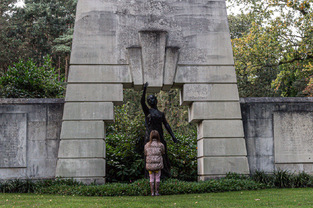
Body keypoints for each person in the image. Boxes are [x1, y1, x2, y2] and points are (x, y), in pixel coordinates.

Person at [141, 82, 178, 178]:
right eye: (149, 99)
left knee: (163, 156)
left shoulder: (161, 114)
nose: (151, 100)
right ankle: (148, 177)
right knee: (148, 157)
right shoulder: (147, 112)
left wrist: (173, 136)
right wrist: (144, 89)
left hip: (160, 138)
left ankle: (164, 175)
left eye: (152, 98)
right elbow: (141, 102)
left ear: (156, 100)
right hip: (149, 138)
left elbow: (166, 125)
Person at [144, 130, 165, 196]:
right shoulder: (161, 145)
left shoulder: (147, 145)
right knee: (158, 177)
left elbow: (145, 153)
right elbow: (163, 152)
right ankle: (157, 192)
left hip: (150, 165)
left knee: (151, 178)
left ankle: (152, 192)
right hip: (158, 165)